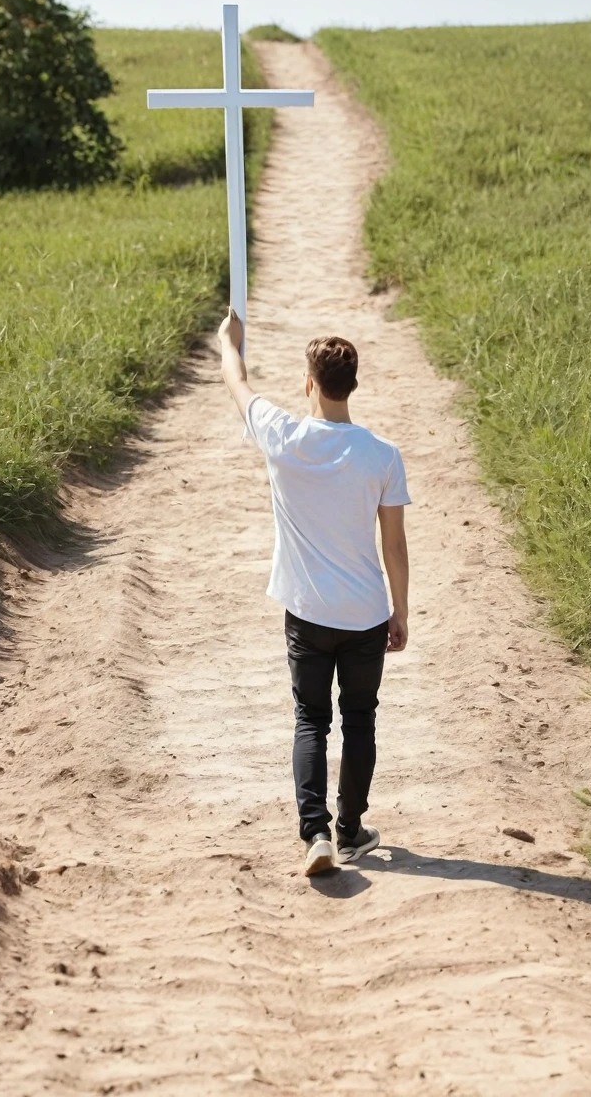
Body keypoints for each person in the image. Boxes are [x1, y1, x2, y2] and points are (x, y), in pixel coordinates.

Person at [218, 309, 410, 877]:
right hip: (366, 615)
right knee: (360, 719)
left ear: (309, 383)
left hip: (306, 613)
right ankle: (351, 830)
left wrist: (229, 343)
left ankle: (317, 834)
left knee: (310, 719)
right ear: (352, 385)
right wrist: (401, 611)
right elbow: (394, 546)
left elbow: (237, 382)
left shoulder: (283, 436)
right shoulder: (382, 455)